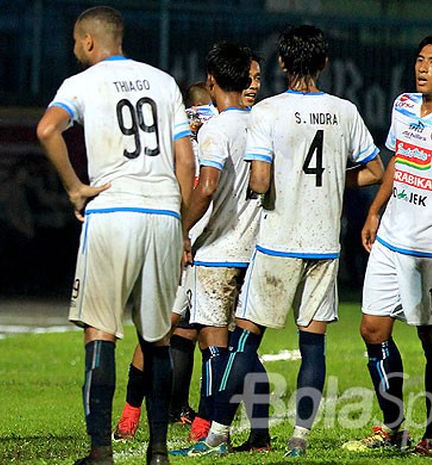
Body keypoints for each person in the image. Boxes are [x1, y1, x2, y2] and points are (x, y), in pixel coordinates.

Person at [199, 25, 384, 458]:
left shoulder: (268, 111)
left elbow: (260, 180)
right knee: (312, 343)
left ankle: (218, 435)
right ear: (323, 63)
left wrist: (271, 183)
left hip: (279, 240)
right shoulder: (345, 110)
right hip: (324, 243)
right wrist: (335, 183)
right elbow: (375, 170)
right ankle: (299, 440)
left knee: (245, 338)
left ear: (282, 63)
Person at [36, 6, 194, 465]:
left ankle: (101, 450)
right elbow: (186, 161)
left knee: (100, 331)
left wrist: (74, 188)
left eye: (74, 41)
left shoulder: (81, 84)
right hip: (164, 212)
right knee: (157, 337)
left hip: (113, 209)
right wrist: (179, 225)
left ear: (88, 42)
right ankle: (159, 450)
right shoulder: (164, 81)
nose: (73, 49)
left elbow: (47, 129)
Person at [343, 34, 432, 457]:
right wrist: (374, 210)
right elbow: (397, 162)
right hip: (391, 238)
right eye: (419, 60)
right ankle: (394, 429)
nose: (422, 68)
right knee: (372, 329)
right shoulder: (404, 105)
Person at [168, 42, 268, 457]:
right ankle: (259, 434)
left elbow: (206, 187)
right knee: (243, 348)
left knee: (214, 346)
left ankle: (211, 434)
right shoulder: (263, 124)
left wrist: (182, 230)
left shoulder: (216, 129)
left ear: (211, 82)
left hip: (220, 251)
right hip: (258, 248)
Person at [112, 81, 215, 443]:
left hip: (207, 244)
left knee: (192, 331)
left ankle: (180, 415)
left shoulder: (207, 136)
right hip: (186, 244)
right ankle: (132, 414)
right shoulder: (185, 142)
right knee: (173, 328)